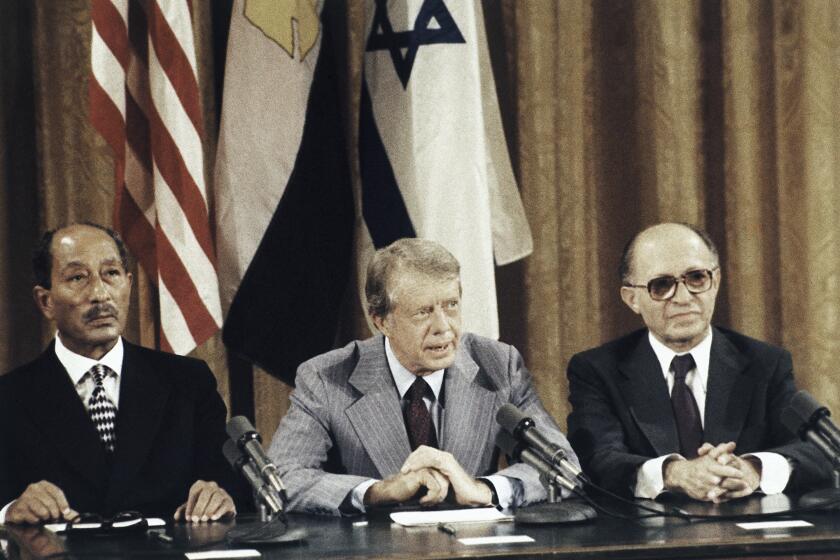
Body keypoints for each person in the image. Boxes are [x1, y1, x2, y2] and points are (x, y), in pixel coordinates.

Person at [268, 238, 577, 515]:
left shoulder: (498, 365)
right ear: (381, 322)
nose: (443, 327)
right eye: (423, 312)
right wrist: (378, 491)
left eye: (451, 305)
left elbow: (562, 467)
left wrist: (483, 489)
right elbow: (282, 477)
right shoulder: (327, 378)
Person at [567, 222, 831, 502]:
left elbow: (817, 453)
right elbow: (596, 459)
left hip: (747, 534)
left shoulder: (765, 363)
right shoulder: (597, 370)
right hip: (644, 536)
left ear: (715, 282)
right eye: (662, 285)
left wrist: (753, 469)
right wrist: (675, 473)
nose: (683, 298)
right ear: (632, 299)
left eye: (696, 278)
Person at [0, 223, 239, 524]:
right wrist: (9, 510)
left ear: (128, 284)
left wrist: (220, 494)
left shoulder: (188, 382)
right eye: (77, 278)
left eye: (111, 274)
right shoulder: (9, 398)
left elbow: (225, 481)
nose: (100, 294)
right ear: (45, 301)